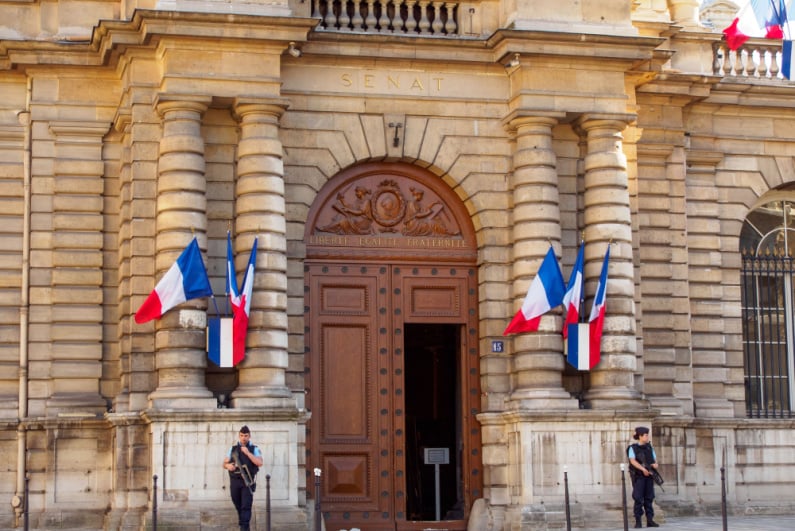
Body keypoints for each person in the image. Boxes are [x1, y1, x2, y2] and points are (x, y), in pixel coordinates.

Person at [223, 425, 264, 531]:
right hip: (235, 482)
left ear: (249, 436)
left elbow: (259, 463)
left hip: (247, 482)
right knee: (238, 504)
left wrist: (247, 453)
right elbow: (224, 463)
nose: (243, 438)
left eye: (246, 436)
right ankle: (244, 526)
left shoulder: (254, 449)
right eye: (241, 435)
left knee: (246, 506)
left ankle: (244, 527)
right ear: (239, 436)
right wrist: (228, 466)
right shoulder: (233, 449)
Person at [627, 426, 660, 528]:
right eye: (646, 435)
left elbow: (655, 461)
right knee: (638, 498)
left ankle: (650, 520)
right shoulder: (632, 448)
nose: (647, 437)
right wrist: (643, 469)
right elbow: (632, 461)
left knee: (649, 498)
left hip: (649, 476)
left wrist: (655, 465)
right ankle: (638, 521)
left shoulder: (649, 447)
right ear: (640, 436)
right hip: (639, 477)